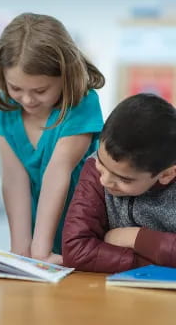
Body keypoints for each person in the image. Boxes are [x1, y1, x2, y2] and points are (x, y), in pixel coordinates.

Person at [0, 13, 105, 264]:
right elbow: (14, 178)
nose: (28, 100)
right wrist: (20, 249)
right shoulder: (4, 106)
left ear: (65, 76)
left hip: (81, 232)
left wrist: (40, 249)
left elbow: (58, 170)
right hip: (34, 230)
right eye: (16, 88)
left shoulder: (82, 104)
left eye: (40, 90)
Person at [62, 93, 176, 273]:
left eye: (124, 179)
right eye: (102, 163)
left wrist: (136, 238)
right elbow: (76, 250)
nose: (104, 180)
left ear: (167, 174)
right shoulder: (94, 167)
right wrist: (158, 260)